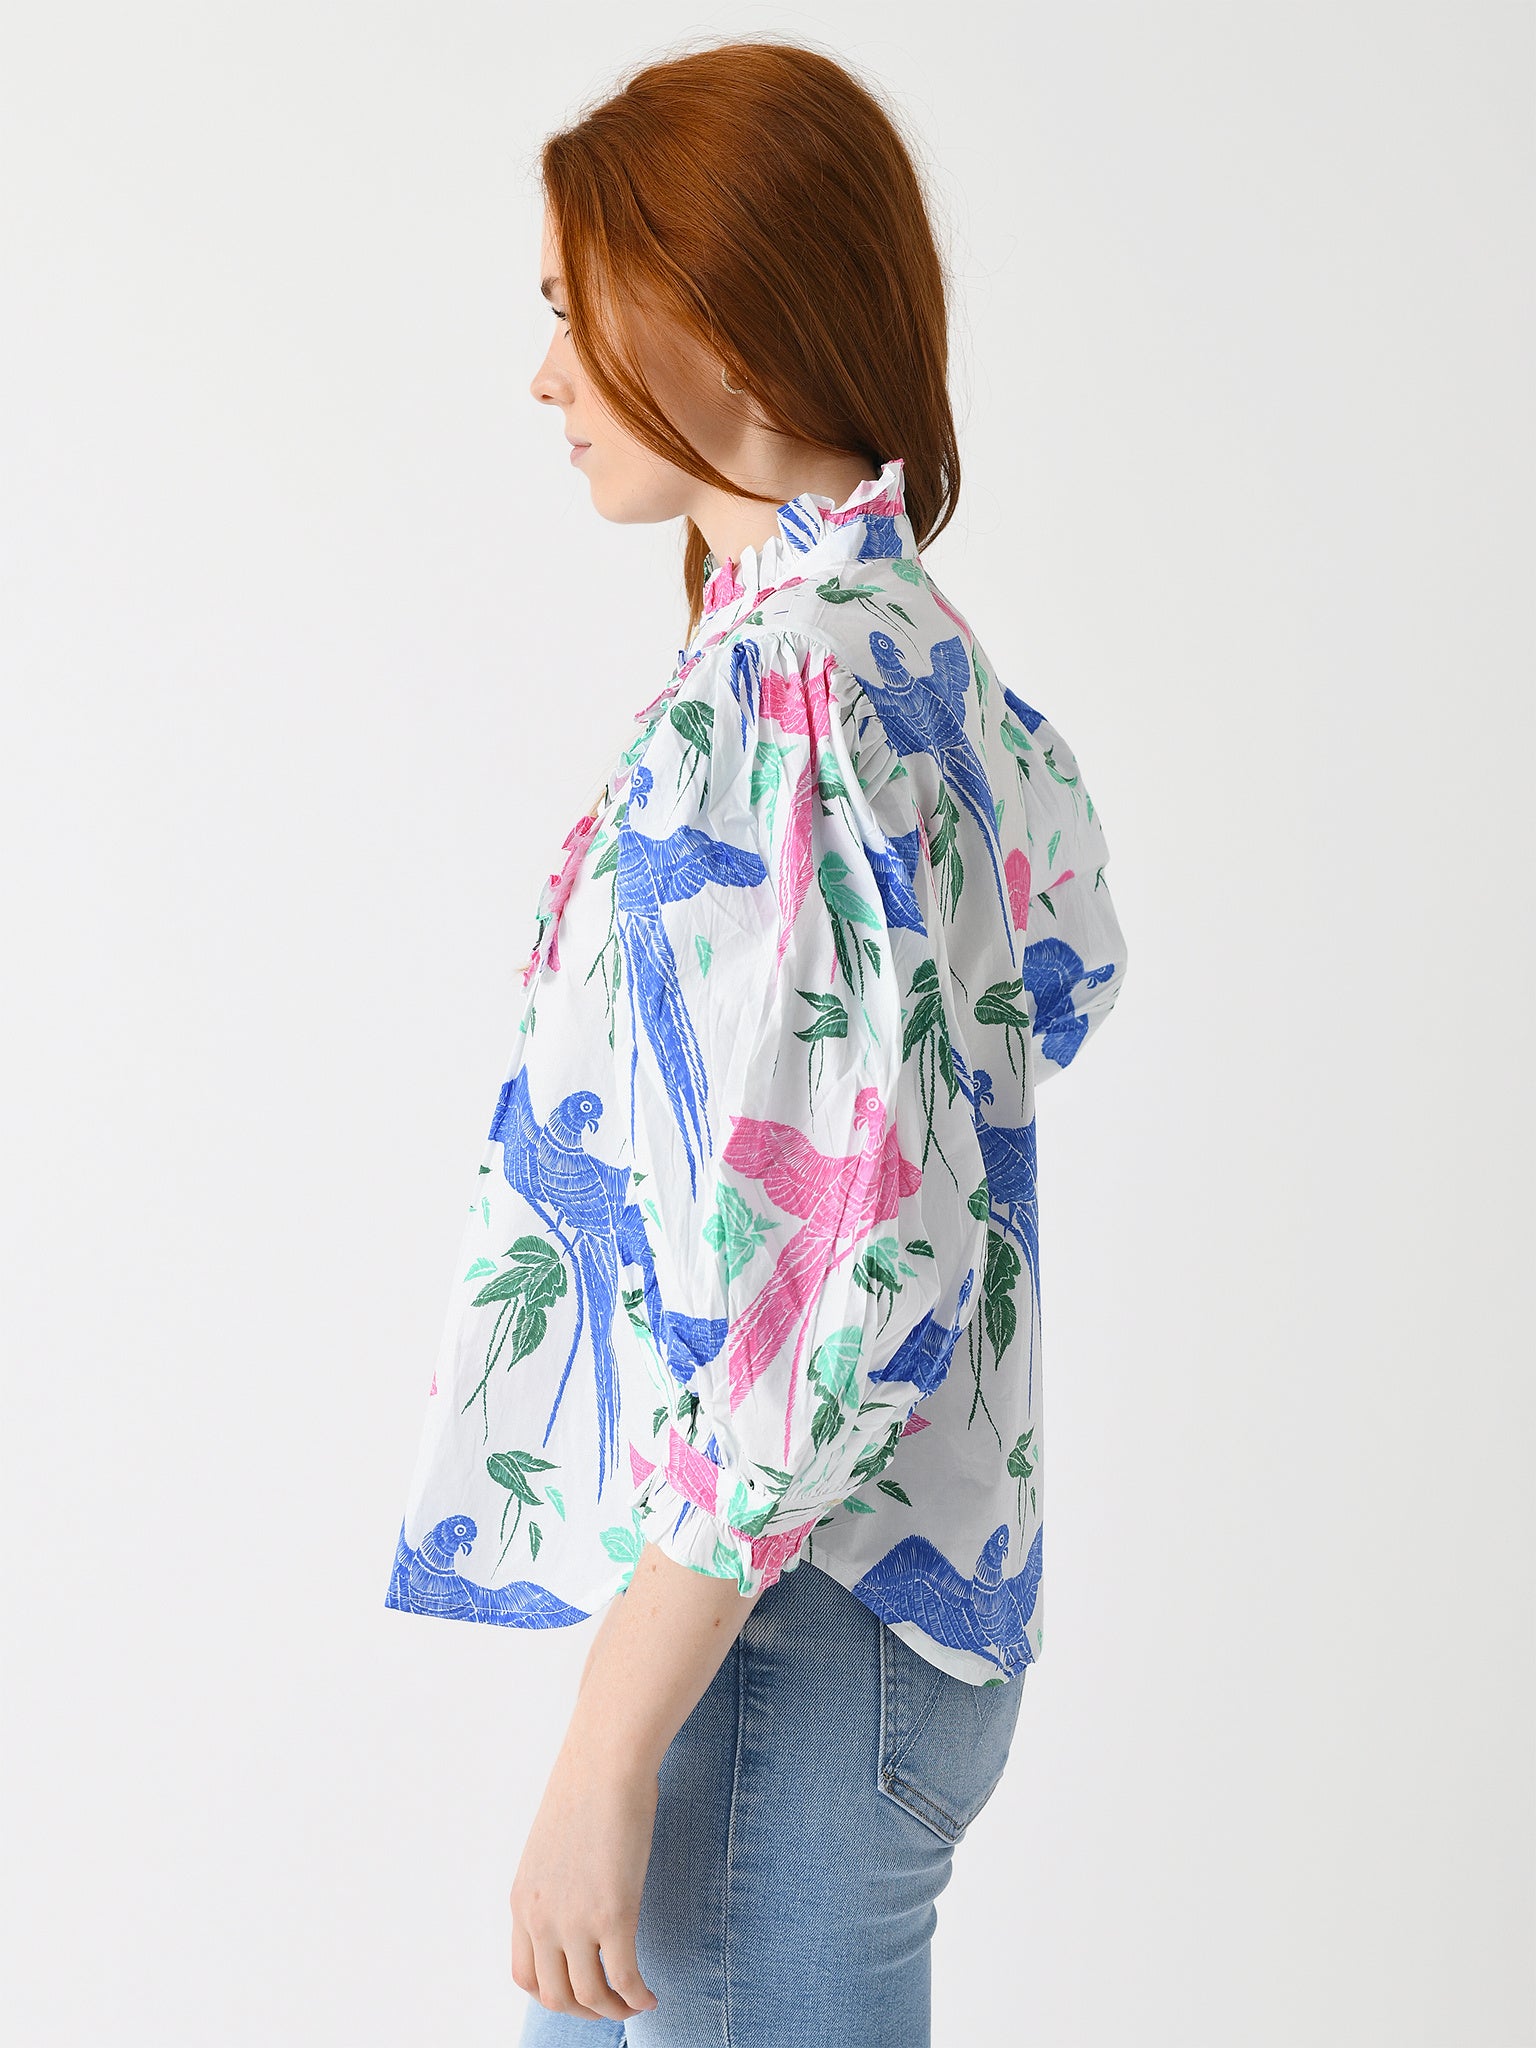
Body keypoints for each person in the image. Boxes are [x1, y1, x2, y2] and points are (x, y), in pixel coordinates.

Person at [383, 35, 1129, 2047]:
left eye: (574, 310)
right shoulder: (910, 655)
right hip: (823, 1624)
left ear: (721, 318)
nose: (544, 375)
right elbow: (1068, 964)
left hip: (781, 1627)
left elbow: (843, 1274)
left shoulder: (787, 698)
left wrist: (606, 1743)